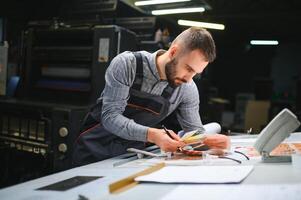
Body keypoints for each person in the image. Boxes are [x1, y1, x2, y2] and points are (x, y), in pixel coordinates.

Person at [72, 27, 220, 166]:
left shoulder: (186, 88)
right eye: (188, 69)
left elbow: (194, 133)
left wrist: (209, 142)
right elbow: (110, 117)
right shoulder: (127, 64)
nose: (189, 79)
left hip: (129, 158)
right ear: (174, 52)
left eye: (195, 73)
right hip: (92, 152)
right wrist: (153, 135)